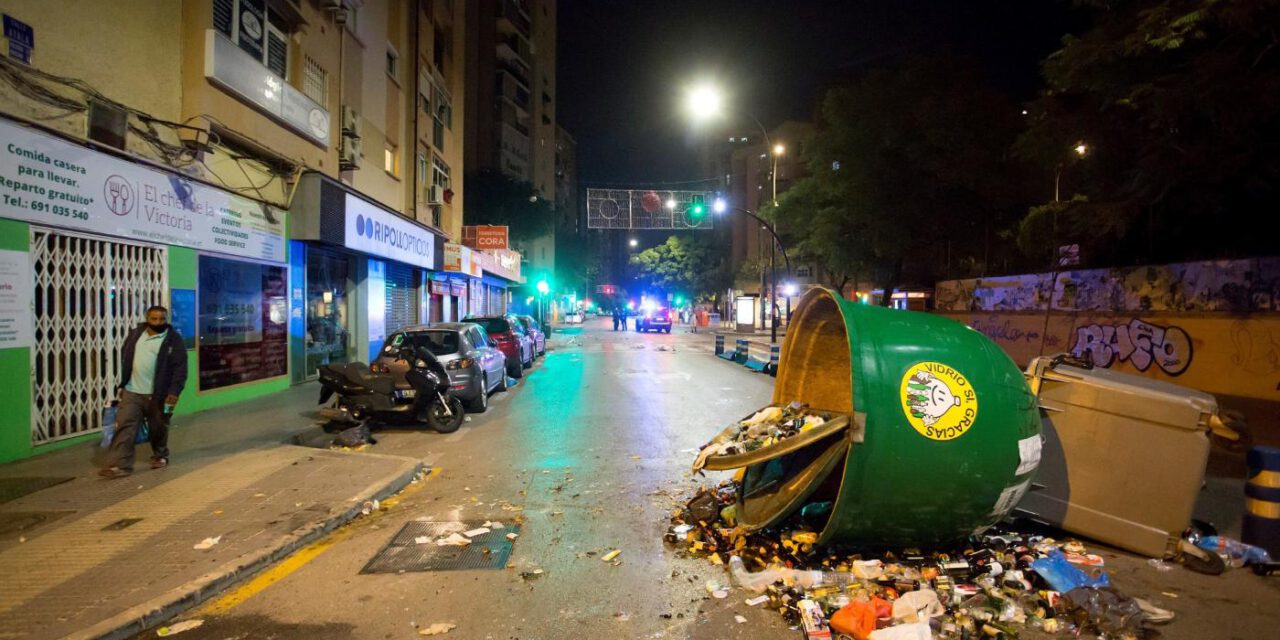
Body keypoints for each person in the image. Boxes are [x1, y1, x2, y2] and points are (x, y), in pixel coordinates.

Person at [100, 305, 188, 479]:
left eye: (162, 319)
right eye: (154, 319)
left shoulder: (173, 340)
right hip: (132, 391)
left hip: (161, 395)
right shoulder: (135, 335)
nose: (158, 322)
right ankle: (120, 465)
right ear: (147, 318)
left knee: (159, 427)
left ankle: (160, 455)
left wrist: (174, 392)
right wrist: (123, 384)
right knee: (125, 427)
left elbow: (180, 368)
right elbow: (127, 359)